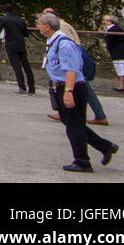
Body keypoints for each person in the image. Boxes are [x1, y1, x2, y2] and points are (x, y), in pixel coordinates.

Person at [37, 12, 117, 173]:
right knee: (73, 124)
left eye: (39, 23)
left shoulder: (64, 44)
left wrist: (68, 91)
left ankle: (82, 161)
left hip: (71, 86)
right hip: (62, 85)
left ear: (47, 26)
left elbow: (71, 70)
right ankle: (105, 146)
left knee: (74, 126)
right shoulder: (53, 41)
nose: (37, 26)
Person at [41, 8, 108, 126]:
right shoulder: (63, 25)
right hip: (74, 60)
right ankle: (97, 115)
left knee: (83, 87)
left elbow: (65, 47)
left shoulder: (61, 28)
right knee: (84, 88)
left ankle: (99, 115)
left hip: (72, 62)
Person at [0, 5, 35, 94]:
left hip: (11, 44)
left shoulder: (4, 19)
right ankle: (32, 87)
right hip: (21, 43)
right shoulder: (20, 20)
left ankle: (22, 87)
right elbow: (25, 33)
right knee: (26, 65)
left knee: (16, 66)